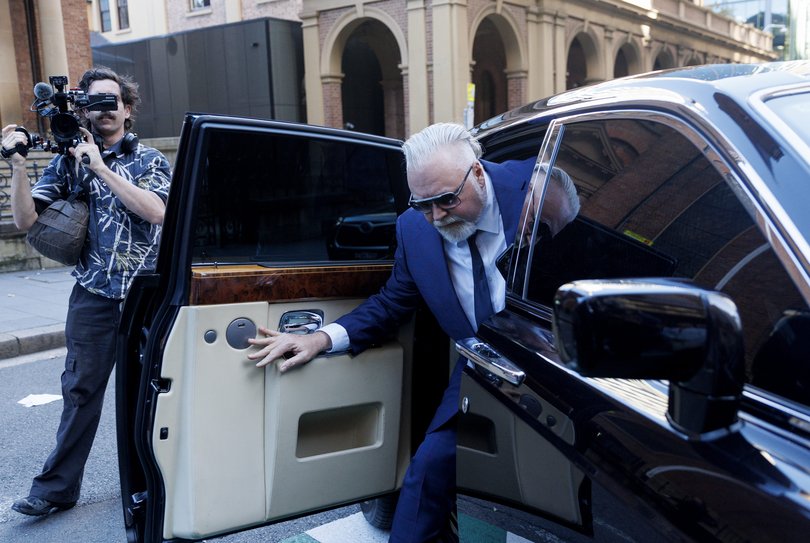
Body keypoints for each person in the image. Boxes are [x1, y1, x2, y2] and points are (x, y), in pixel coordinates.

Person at [247, 123, 532, 542]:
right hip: (484, 368)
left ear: (477, 172)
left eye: (447, 200)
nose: (437, 217)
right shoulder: (414, 230)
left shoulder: (531, 191)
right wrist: (320, 338)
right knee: (427, 471)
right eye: (423, 203)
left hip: (552, 365)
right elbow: (392, 302)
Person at [2, 66, 172, 516]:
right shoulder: (66, 162)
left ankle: (149, 484)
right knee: (80, 393)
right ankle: (55, 489)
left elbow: (157, 212)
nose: (101, 110)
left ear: (127, 109)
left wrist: (101, 168)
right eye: (91, 103)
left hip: (145, 299)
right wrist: (17, 166)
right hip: (93, 297)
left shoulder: (150, 160)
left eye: (109, 101)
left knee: (147, 395)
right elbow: (25, 222)